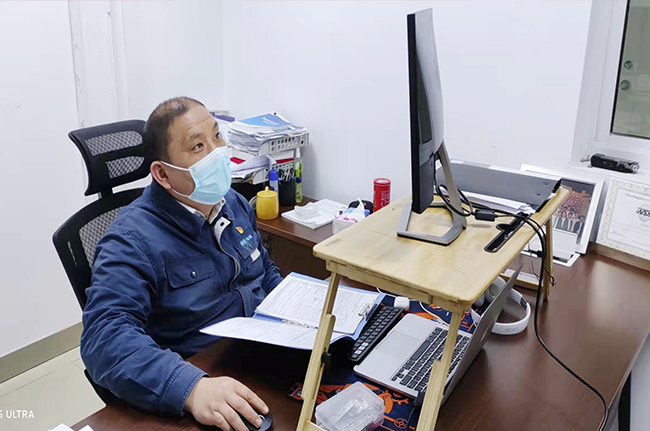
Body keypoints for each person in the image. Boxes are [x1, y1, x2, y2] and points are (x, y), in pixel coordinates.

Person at [81, 97, 283, 431]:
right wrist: (192, 389)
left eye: (217, 136)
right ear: (162, 174)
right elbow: (104, 339)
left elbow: (263, 270)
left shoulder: (232, 202)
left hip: (258, 355)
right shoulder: (130, 240)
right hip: (203, 380)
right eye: (198, 146)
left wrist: (299, 309)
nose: (218, 153)